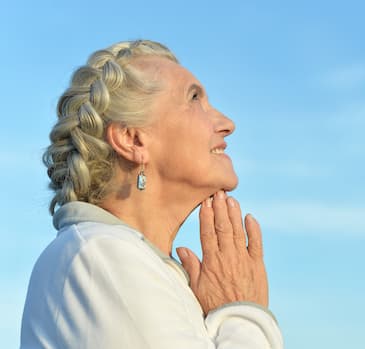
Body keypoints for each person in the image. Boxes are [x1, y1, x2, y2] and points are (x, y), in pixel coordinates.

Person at [20, 40, 283, 348]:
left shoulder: (134, 262)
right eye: (194, 98)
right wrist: (242, 312)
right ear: (132, 139)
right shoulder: (99, 255)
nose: (227, 124)